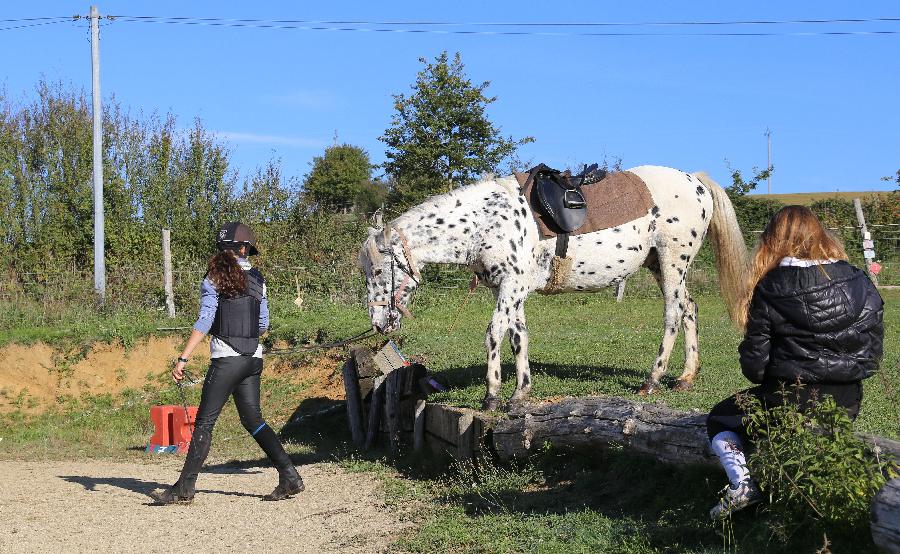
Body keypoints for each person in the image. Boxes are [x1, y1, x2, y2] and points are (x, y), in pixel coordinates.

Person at [706, 205, 884, 520]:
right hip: (848, 399)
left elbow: (754, 368)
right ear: (821, 235)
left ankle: (743, 485)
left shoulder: (771, 285)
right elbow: (872, 352)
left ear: (771, 241)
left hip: (789, 398)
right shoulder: (860, 280)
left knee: (720, 418)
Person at [150, 222, 304, 505]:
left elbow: (206, 320)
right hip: (252, 359)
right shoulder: (259, 279)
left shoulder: (214, 278)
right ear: (246, 249)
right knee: (254, 421)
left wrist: (183, 357)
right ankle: (290, 476)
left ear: (227, 249)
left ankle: (184, 488)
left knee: (205, 424)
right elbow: (264, 323)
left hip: (226, 359)